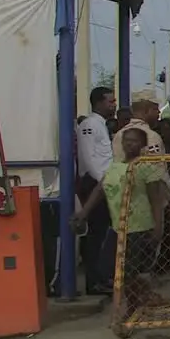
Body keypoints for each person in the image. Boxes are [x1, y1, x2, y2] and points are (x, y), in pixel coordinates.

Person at [70, 127, 167, 315]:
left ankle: (132, 306)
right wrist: (84, 212)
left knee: (129, 269)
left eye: (135, 141)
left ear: (143, 145)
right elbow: (100, 189)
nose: (130, 144)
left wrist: (158, 226)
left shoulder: (146, 167)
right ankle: (141, 297)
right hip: (118, 227)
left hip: (139, 226)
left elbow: (155, 199)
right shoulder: (115, 166)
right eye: (127, 140)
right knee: (108, 268)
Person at [76, 86, 117, 295]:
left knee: (104, 233)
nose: (114, 104)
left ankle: (102, 276)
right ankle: (94, 281)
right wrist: (103, 182)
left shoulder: (102, 125)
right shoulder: (89, 125)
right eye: (111, 101)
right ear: (99, 102)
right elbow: (91, 158)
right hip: (95, 183)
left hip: (103, 182)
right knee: (96, 235)